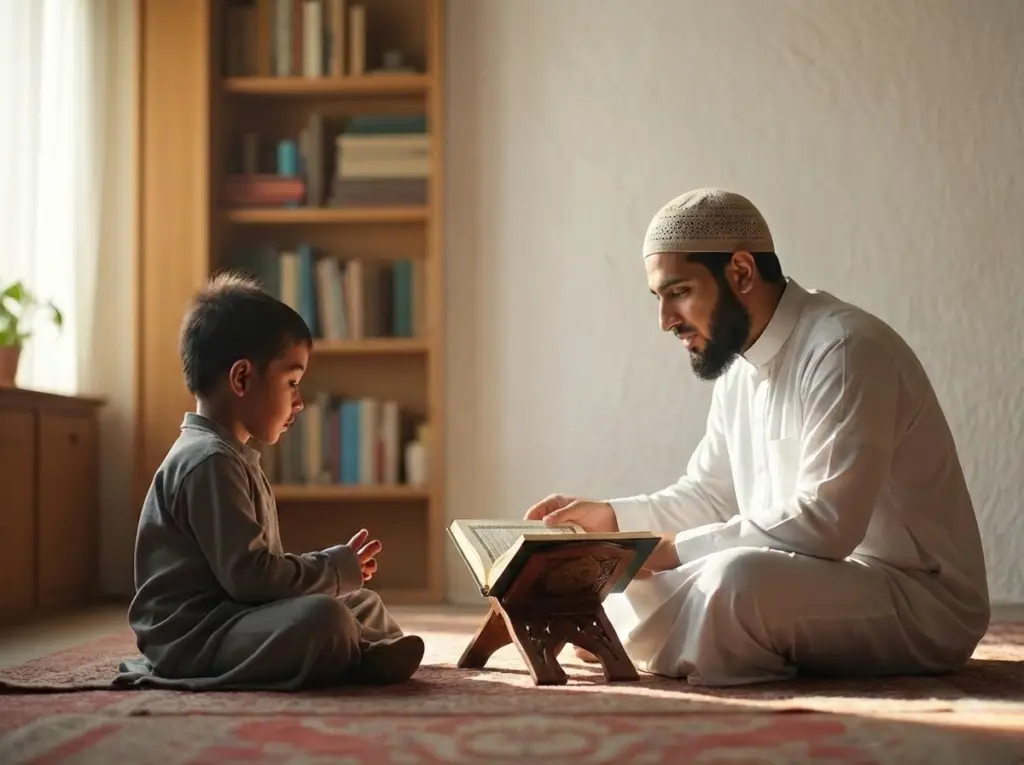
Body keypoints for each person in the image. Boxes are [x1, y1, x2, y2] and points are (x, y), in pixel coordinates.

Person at [526, 188, 990, 687]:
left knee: (734, 583)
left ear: (742, 272)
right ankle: (671, 638)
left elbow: (828, 524)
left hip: (916, 598)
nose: (665, 321)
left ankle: (648, 637)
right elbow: (709, 496)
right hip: (806, 576)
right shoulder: (737, 366)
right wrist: (613, 522)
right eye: (658, 298)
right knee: (637, 583)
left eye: (678, 292)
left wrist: (666, 550)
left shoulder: (845, 349)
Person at [116, 272, 423, 690]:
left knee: (360, 601)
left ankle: (363, 650)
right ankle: (357, 653)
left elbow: (255, 579)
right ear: (241, 378)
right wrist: (332, 568)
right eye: (292, 383)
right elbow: (252, 580)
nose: (300, 402)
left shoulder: (230, 457)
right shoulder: (208, 462)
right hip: (194, 640)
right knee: (324, 617)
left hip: (236, 616)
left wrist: (336, 575)